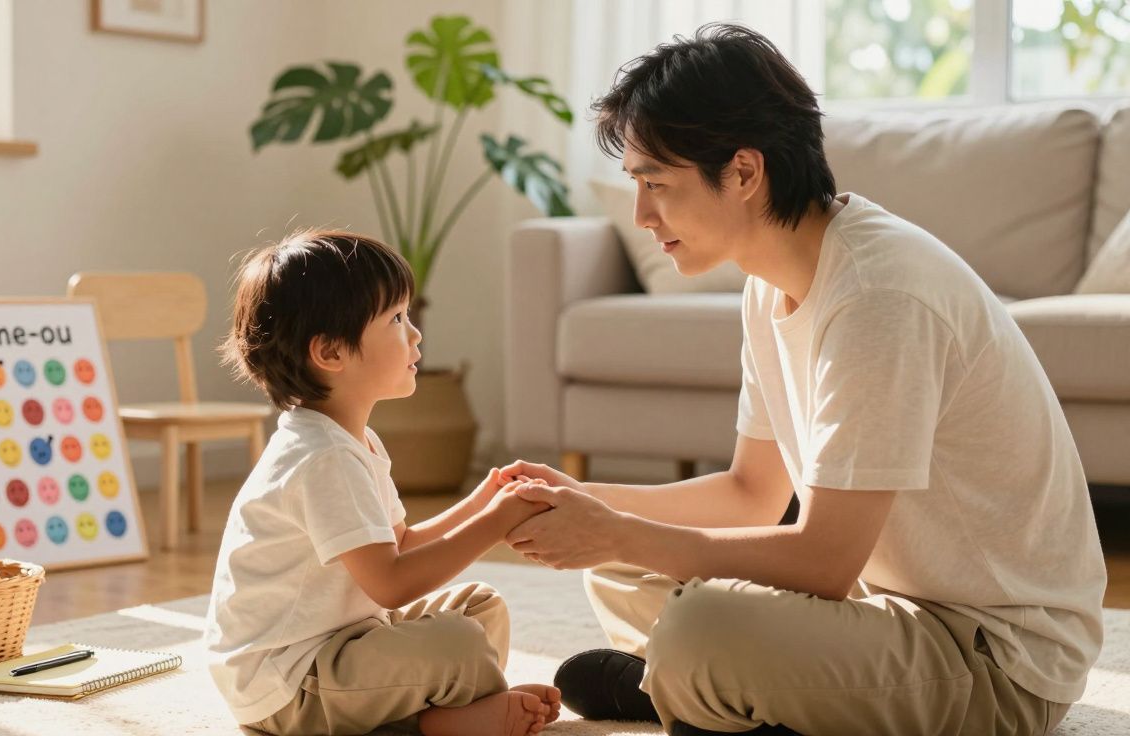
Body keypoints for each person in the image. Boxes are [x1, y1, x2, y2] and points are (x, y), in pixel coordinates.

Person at [499, 23, 1106, 736]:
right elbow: (752, 494)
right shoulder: (774, 280)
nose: (641, 216)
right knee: (622, 565)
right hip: (892, 613)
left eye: (656, 184)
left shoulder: (879, 295)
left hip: (996, 662)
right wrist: (577, 501)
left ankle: (699, 682)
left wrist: (621, 531)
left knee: (695, 618)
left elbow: (822, 560)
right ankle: (707, 687)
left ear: (745, 172)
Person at [207, 229, 561, 735]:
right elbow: (392, 584)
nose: (415, 335)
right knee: (457, 641)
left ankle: (445, 715)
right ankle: (434, 724)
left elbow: (398, 546)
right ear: (331, 352)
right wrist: (497, 522)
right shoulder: (322, 457)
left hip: (341, 644)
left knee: (478, 606)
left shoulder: (354, 441)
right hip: (288, 686)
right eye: (396, 320)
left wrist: (484, 502)